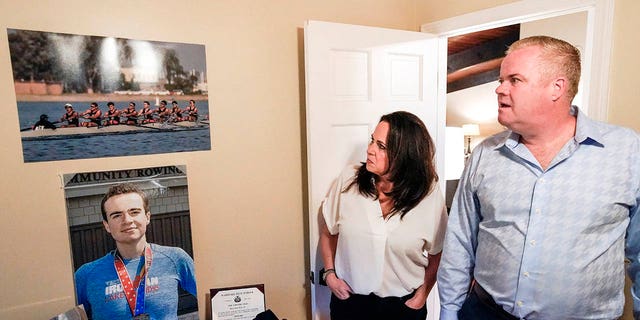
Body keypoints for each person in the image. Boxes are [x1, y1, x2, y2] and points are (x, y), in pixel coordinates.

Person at [437, 36, 640, 320]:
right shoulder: (485, 153)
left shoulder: (627, 151)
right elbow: (460, 241)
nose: (499, 89)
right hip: (485, 313)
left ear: (557, 87)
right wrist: (448, 311)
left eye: (514, 80)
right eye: (501, 79)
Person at [319, 111, 448, 320]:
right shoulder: (348, 180)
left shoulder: (428, 193)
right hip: (350, 303)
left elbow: (438, 251)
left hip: (402, 308)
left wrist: (421, 296)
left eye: (382, 147)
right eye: (372, 141)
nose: (370, 150)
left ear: (405, 155)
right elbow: (328, 232)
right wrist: (330, 274)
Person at [74, 183, 197, 320]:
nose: (127, 220)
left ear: (147, 217)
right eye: (116, 215)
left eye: (134, 212)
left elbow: (215, 299)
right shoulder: (85, 275)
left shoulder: (175, 259)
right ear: (107, 225)